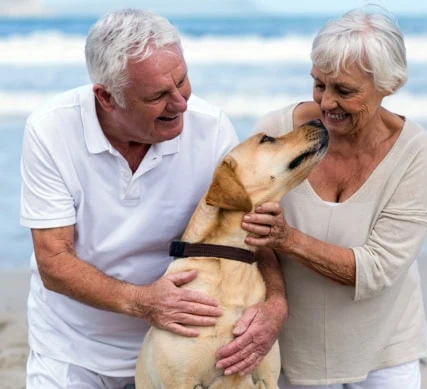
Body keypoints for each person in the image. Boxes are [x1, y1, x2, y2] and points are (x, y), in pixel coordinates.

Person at [20, 8, 286, 388]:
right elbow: (54, 261)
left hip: (181, 348)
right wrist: (144, 302)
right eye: (158, 95)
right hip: (71, 348)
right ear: (107, 98)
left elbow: (251, 236)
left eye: (183, 80)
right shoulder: (51, 129)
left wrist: (276, 306)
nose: (180, 103)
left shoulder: (210, 129)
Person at [241, 6, 427, 389]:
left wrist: (288, 239)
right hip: (290, 349)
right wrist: (273, 301)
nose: (327, 102)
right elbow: (249, 236)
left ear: (390, 84)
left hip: (385, 350)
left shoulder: (417, 151)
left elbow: (377, 269)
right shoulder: (274, 133)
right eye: (319, 84)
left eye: (344, 90)